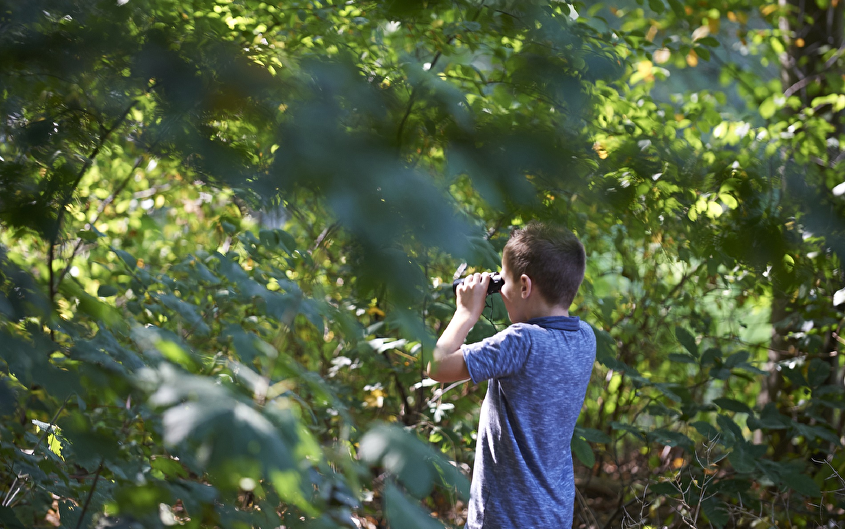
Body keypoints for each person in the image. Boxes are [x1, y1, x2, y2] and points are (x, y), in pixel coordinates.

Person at [428, 221, 596, 528]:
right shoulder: (586, 337)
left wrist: (465, 313)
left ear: (524, 287)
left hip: (504, 516)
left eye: (501, 283)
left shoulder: (522, 341)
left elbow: (437, 366)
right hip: (554, 512)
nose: (499, 292)